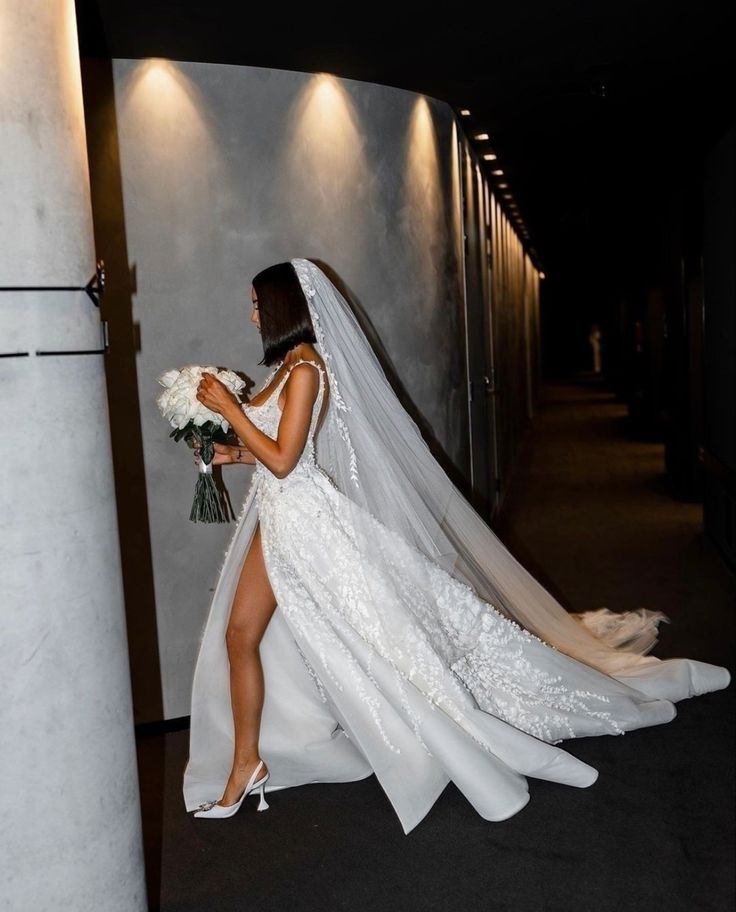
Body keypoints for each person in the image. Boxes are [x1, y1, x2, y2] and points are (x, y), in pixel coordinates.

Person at [183, 258, 730, 833]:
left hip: (304, 523)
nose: (251, 314)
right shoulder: (285, 368)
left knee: (371, 640)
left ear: (282, 308)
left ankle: (285, 755)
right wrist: (228, 452)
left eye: (256, 303)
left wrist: (227, 409)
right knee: (244, 635)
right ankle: (249, 761)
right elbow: (271, 456)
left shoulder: (306, 370)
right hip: (280, 517)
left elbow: (285, 459)